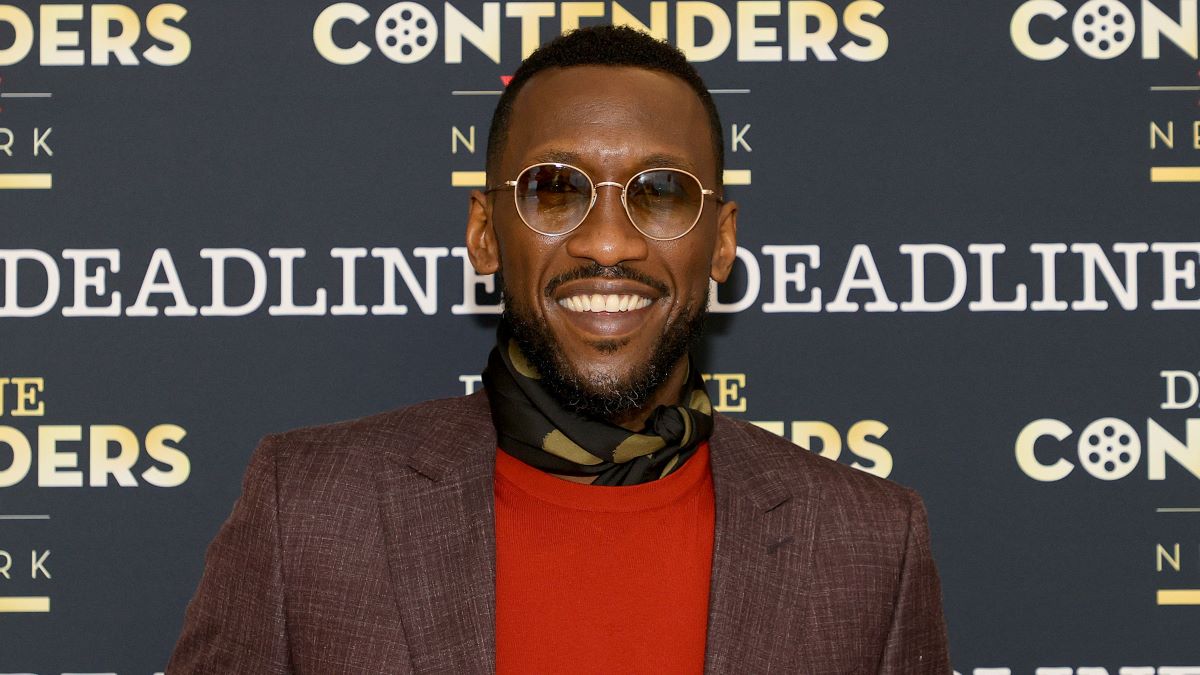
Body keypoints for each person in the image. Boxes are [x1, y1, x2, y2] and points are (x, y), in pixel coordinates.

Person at [168, 25, 950, 674]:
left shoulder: (870, 544)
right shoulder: (305, 511)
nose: (608, 242)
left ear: (722, 242)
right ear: (484, 231)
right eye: (554, 189)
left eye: (662, 192)